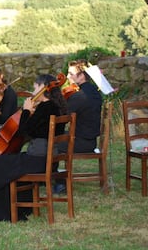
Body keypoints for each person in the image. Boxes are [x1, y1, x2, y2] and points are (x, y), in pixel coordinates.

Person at [0, 74, 68, 222]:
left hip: (37, 161)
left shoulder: (45, 108)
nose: (33, 91)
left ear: (43, 89)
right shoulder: (57, 107)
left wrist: (25, 111)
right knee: (3, 161)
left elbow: (25, 131)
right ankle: (21, 206)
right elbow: (37, 132)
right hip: (49, 160)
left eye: (35, 87)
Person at [54, 59, 103, 193]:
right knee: (57, 137)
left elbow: (62, 118)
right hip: (90, 140)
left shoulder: (80, 96)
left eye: (71, 74)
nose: (68, 77)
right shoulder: (94, 92)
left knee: (51, 142)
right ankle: (55, 177)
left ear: (81, 76)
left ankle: (58, 181)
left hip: (81, 142)